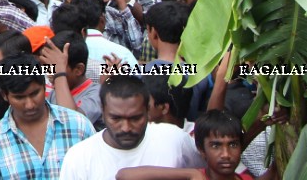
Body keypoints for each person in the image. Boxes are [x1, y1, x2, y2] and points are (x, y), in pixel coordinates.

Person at [59, 75, 203, 180]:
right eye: (116, 118)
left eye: (135, 118)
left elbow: (202, 173)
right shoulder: (78, 158)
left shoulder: (175, 139)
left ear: (148, 111)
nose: (126, 128)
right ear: (102, 112)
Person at [0, 54, 95, 180]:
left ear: (45, 86)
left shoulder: (79, 126)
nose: (29, 105)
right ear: (5, 95)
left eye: (34, 93)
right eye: (19, 97)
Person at [114, 109, 262, 180]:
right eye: (216, 146)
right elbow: (124, 175)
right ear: (201, 150)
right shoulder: (193, 177)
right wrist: (190, 173)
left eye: (232, 145)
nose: (226, 154)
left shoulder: (245, 178)